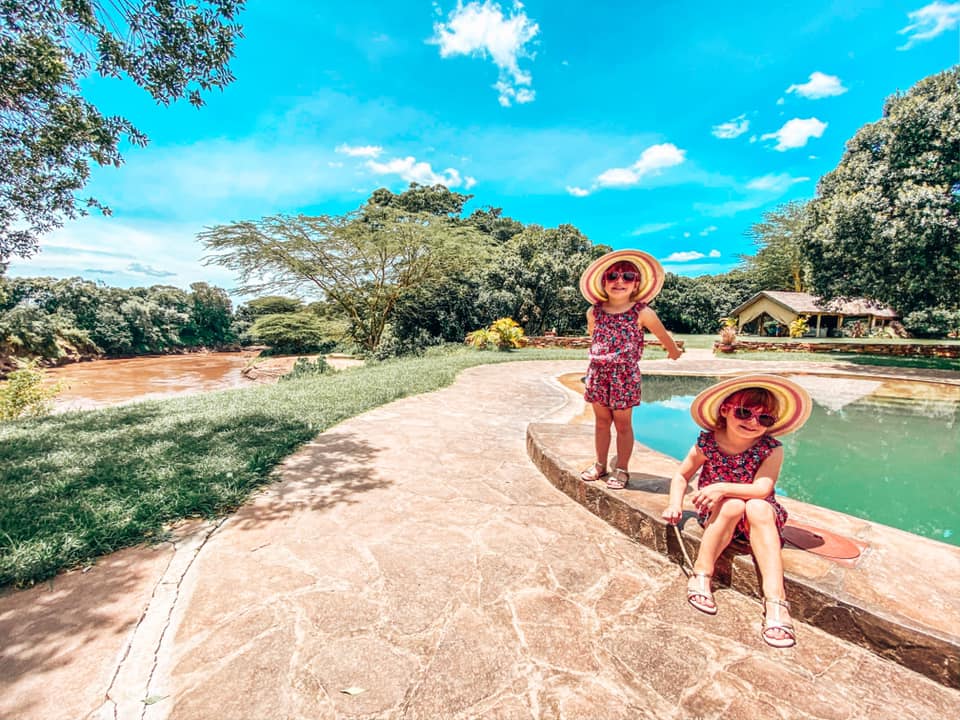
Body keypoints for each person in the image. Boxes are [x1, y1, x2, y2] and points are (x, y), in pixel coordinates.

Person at [661, 374, 812, 649]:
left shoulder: (770, 449)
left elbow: (762, 489)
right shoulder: (708, 442)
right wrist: (675, 504)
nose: (753, 422)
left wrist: (721, 486)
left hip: (757, 514)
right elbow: (682, 476)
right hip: (721, 512)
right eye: (745, 412)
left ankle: (776, 601)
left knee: (755, 506)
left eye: (765, 418)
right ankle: (702, 574)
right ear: (725, 410)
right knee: (731, 504)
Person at [577, 249, 683, 490]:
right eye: (613, 276)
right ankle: (600, 464)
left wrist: (673, 351)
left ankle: (622, 468)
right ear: (603, 282)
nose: (619, 281)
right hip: (598, 373)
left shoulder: (642, 312)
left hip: (624, 375)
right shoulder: (594, 311)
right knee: (602, 422)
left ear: (636, 284)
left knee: (623, 424)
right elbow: (594, 334)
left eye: (627, 276)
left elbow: (662, 334)